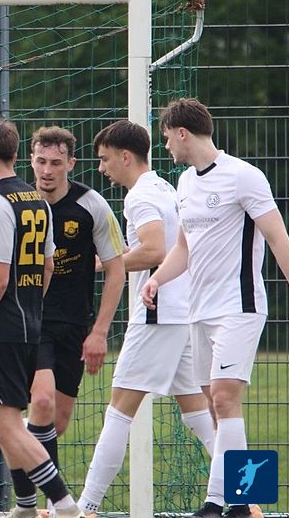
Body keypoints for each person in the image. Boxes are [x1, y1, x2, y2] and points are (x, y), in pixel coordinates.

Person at [143, 98, 289, 518]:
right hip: (199, 310)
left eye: (167, 137)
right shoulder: (185, 183)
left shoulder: (244, 176)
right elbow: (183, 247)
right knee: (215, 405)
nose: (166, 146)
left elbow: (279, 239)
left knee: (225, 398)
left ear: (182, 133)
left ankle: (218, 503)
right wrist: (157, 279)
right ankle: (245, 503)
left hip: (239, 307)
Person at [74, 120, 215, 516]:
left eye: (104, 159)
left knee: (119, 410)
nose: (101, 168)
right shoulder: (165, 188)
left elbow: (155, 250)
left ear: (125, 157)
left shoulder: (139, 196)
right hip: (185, 311)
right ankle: (248, 498)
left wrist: (103, 263)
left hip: (158, 314)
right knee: (203, 414)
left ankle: (85, 507)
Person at [0, 119, 83, 518]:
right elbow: (48, 266)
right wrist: (30, 306)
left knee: (5, 425)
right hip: (29, 326)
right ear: (18, 155)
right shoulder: (36, 201)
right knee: (0, 422)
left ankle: (65, 506)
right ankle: (24, 508)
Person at [11, 126, 126, 514]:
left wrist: (99, 332)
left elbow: (116, 268)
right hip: (32, 323)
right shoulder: (19, 205)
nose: (47, 170)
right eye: (41, 161)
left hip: (75, 327)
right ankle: (49, 503)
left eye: (56, 163)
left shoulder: (92, 205)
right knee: (42, 402)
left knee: (54, 423)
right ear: (30, 161)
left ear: (71, 164)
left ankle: (11, 436)